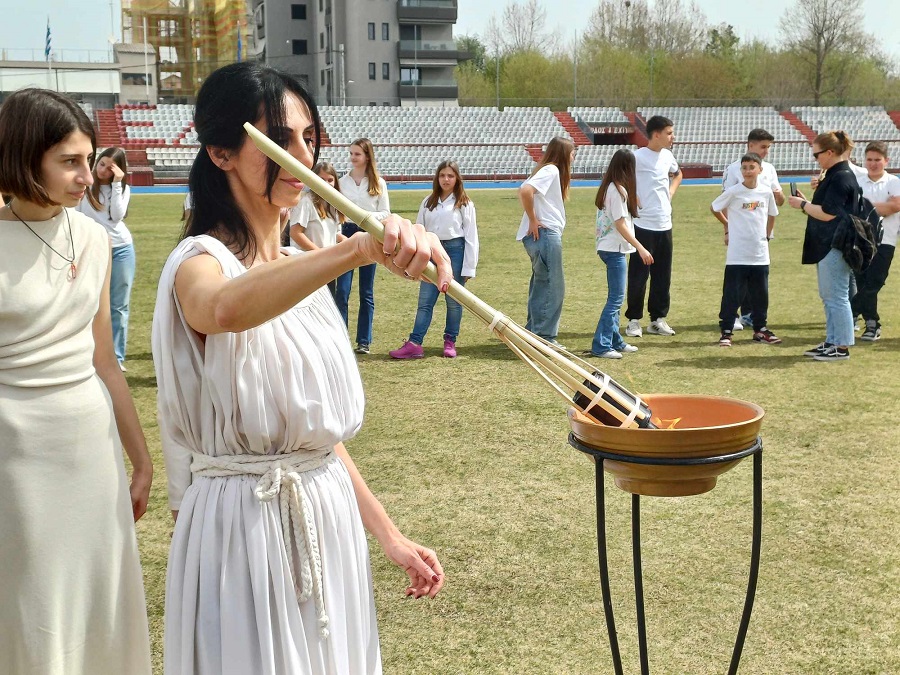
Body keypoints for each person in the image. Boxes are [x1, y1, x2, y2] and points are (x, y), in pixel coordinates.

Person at [151, 62, 451, 675]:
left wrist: (388, 536)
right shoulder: (197, 262)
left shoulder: (300, 265)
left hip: (327, 515)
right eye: (279, 139)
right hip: (243, 524)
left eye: (309, 137)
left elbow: (316, 436)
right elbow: (222, 308)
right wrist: (358, 248)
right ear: (221, 151)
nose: (301, 155)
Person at [0, 88, 152, 673]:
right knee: (29, 605)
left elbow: (105, 361)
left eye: (89, 159)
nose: (87, 176)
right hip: (17, 456)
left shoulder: (94, 238)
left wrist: (139, 461)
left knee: (99, 602)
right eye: (69, 161)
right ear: (22, 157)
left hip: (91, 452)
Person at [390, 160, 479, 359]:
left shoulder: (464, 203)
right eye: (442, 176)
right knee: (425, 300)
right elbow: (418, 229)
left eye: (450, 176)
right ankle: (415, 343)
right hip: (430, 251)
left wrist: (468, 268)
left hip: (455, 251)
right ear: (437, 178)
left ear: (457, 179)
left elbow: (471, 236)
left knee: (454, 301)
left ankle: (450, 341)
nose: (446, 180)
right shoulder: (428, 202)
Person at [788, 131, 859, 361]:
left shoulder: (841, 176)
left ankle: (841, 346)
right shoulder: (835, 174)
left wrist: (802, 205)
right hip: (829, 242)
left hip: (834, 243)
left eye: (817, 154)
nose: (815, 159)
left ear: (830, 152)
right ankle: (833, 340)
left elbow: (828, 213)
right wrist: (808, 202)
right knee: (830, 296)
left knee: (836, 296)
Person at [710, 153, 781, 347]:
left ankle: (760, 329)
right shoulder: (734, 191)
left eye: (751, 167)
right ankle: (726, 331)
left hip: (759, 253)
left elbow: (772, 213)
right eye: (744, 167)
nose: (748, 171)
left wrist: (767, 235)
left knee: (760, 294)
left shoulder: (766, 192)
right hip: (737, 254)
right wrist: (728, 225)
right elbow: (715, 207)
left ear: (760, 169)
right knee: (732, 294)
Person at [76, 146, 135, 370]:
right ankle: (89, 354)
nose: (103, 170)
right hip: (92, 248)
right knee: (89, 301)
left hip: (121, 249)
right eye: (102, 163)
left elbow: (117, 216)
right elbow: (76, 215)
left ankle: (117, 357)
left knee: (119, 306)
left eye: (110, 167)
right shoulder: (86, 185)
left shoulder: (122, 188)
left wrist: (118, 184)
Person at [721, 128, 786, 331]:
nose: (766, 151)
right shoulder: (734, 169)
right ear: (751, 145)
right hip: (740, 231)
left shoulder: (769, 169)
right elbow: (724, 202)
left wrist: (778, 195)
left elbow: (779, 202)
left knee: (757, 274)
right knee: (739, 274)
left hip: (761, 230)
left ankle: (751, 314)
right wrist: (727, 229)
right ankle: (735, 315)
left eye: (768, 147)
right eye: (763, 147)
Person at [590, 149, 652, 358]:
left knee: (617, 297)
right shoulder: (616, 192)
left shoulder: (614, 189)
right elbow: (620, 225)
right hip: (613, 249)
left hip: (611, 247)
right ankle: (601, 345)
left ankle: (615, 340)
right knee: (615, 299)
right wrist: (641, 247)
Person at [625, 115, 682, 338]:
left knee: (662, 275)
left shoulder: (668, 156)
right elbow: (620, 179)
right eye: (669, 133)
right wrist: (633, 197)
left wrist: (670, 193)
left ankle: (657, 319)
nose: (672, 137)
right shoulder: (636, 157)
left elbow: (678, 175)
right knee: (639, 275)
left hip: (664, 224)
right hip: (642, 225)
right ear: (656, 134)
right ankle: (633, 320)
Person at [515, 136, 575, 347]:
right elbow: (525, 191)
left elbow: (526, 188)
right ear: (564, 154)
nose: (573, 157)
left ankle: (533, 332)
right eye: (572, 153)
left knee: (541, 285)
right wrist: (533, 219)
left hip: (540, 236)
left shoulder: (544, 170)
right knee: (553, 286)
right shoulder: (552, 170)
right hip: (546, 235)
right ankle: (544, 337)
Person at [335, 138, 389, 354]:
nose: (352, 157)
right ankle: (341, 339)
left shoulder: (379, 183)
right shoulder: (342, 181)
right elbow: (336, 211)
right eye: (351, 153)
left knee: (366, 290)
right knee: (343, 290)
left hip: (370, 234)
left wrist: (366, 217)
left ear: (367, 156)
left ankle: (364, 341)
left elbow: (386, 212)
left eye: (357, 153)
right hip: (346, 234)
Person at [850, 141, 900, 341]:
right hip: (859, 241)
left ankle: (850, 311)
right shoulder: (858, 182)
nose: (873, 164)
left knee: (876, 281)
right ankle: (872, 324)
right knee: (863, 283)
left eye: (877, 160)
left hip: (885, 240)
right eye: (869, 160)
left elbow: (895, 206)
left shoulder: (893, 182)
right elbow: (849, 208)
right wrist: (879, 207)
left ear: (886, 160)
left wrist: (863, 208)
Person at [288, 161, 347, 297]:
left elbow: (334, 234)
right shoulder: (306, 202)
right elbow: (296, 233)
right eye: (321, 180)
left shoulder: (334, 204)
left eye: (330, 180)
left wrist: (348, 242)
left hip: (328, 266)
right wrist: (319, 253)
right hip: (308, 265)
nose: (326, 183)